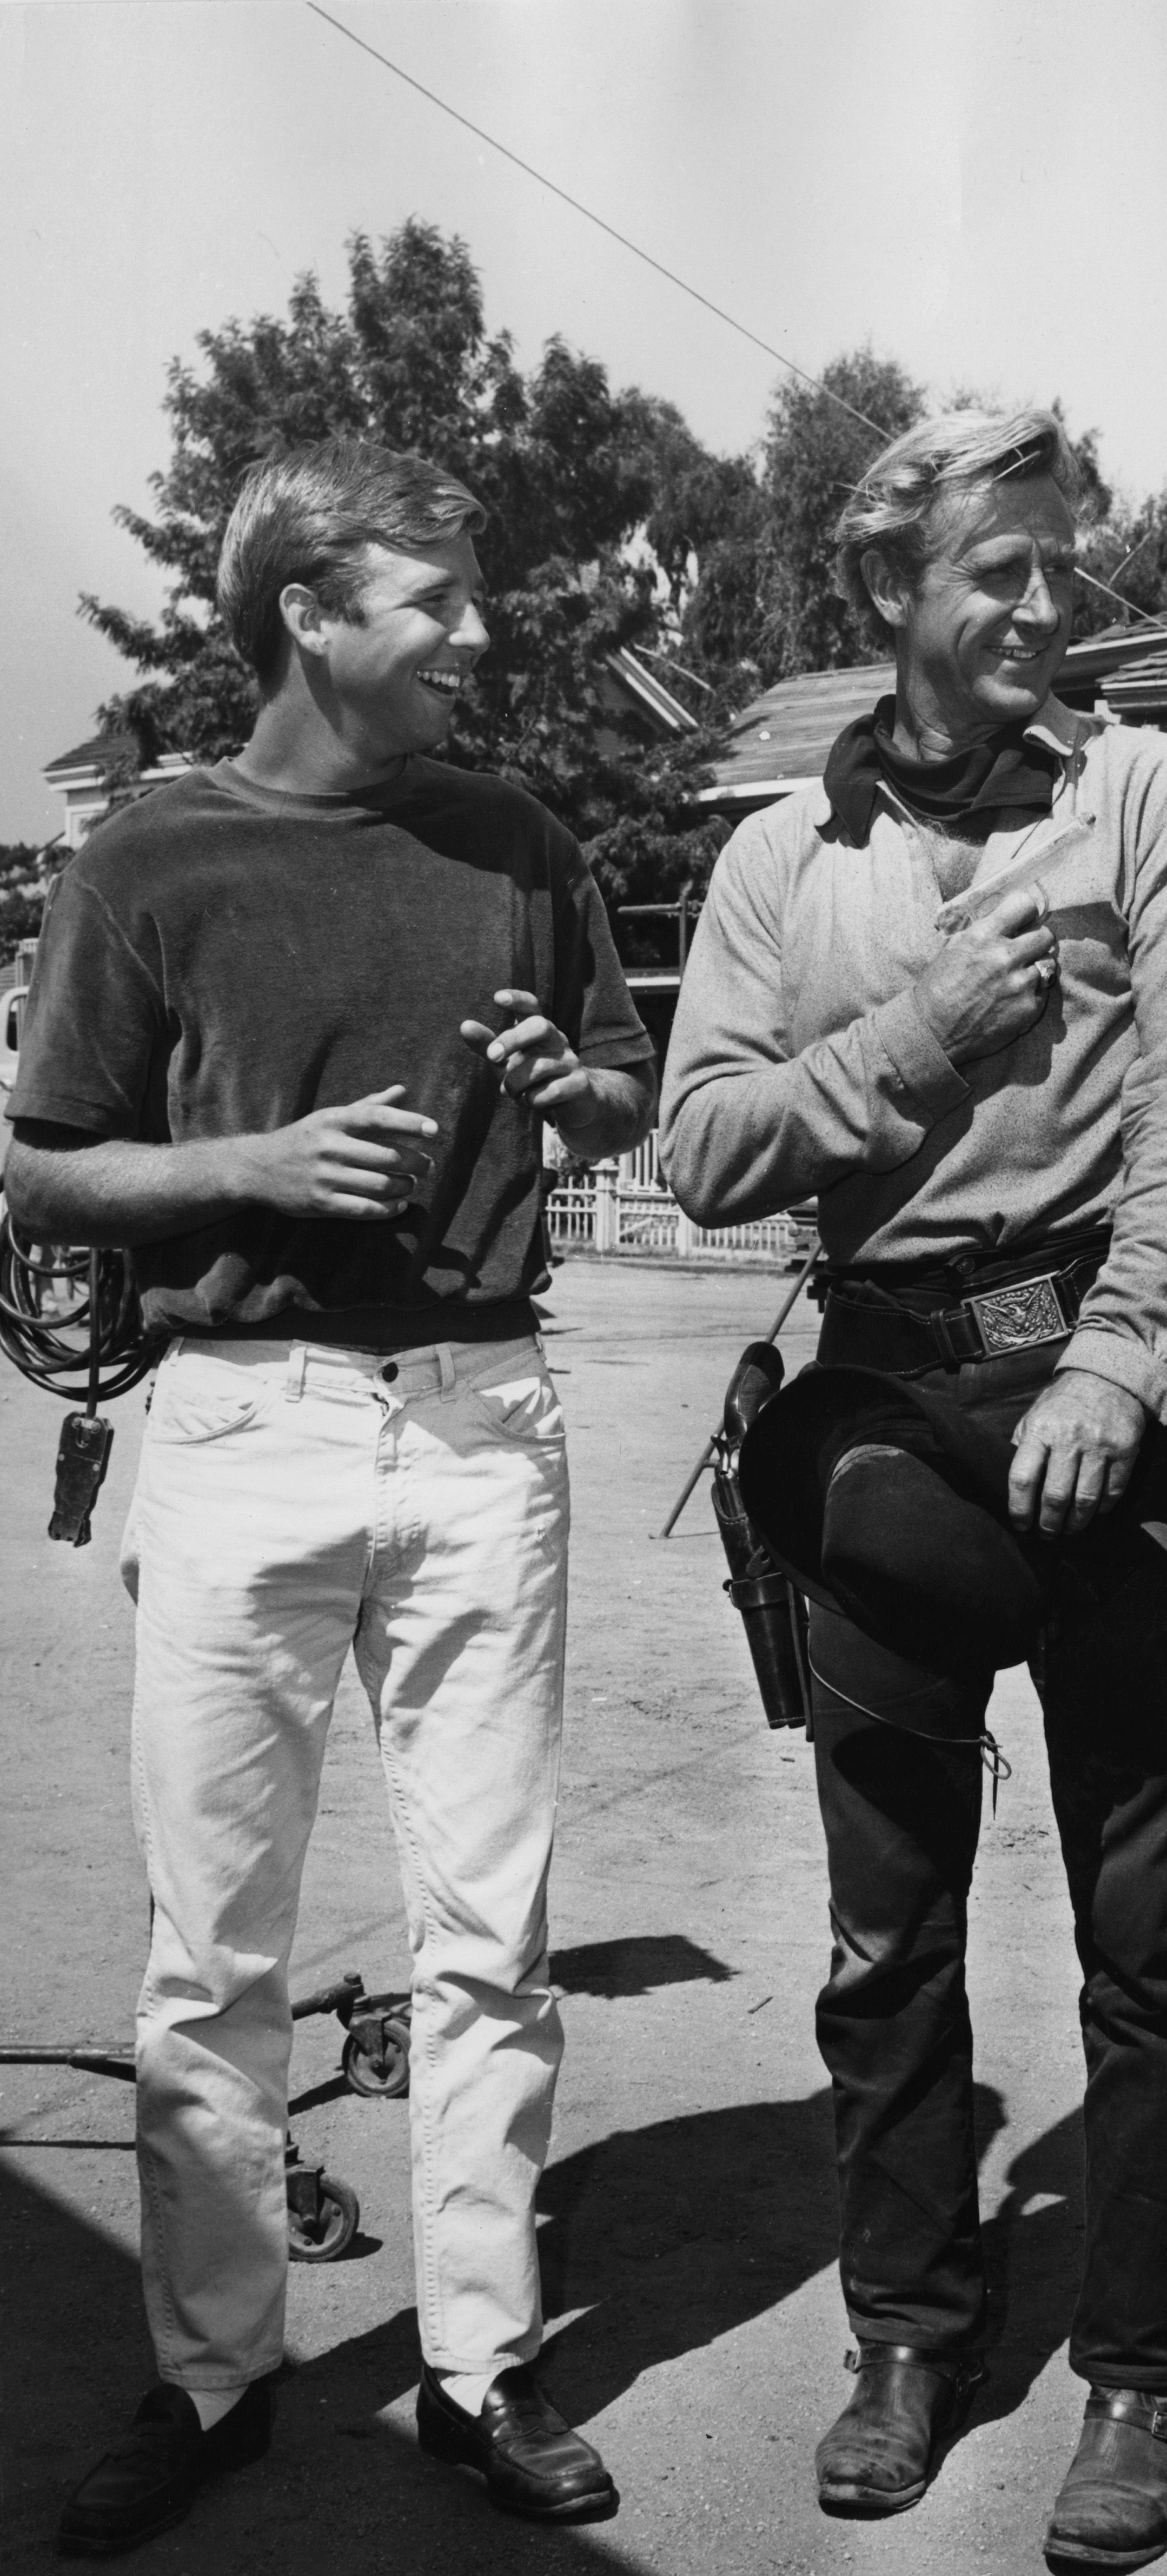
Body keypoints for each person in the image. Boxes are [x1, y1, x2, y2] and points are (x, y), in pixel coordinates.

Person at [8, 439, 655, 2556]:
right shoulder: (151, 858)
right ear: (305, 611)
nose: (479, 634)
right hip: (239, 1425)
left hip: (483, 1428)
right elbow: (38, 1158)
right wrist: (243, 1174)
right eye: (434, 600)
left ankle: (477, 2367)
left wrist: (589, 1094)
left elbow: (623, 1070)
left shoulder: (518, 838)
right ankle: (214, 2383)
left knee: (490, 1935)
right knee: (218, 1959)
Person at [661, 406, 1167, 2568]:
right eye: (996, 568)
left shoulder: (1154, 800)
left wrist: (1125, 1354)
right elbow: (705, 1149)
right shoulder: (773, 859)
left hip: (1104, 1422)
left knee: (1146, 1933)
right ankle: (906, 2334)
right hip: (871, 1435)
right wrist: (919, 1029)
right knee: (882, 1935)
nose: (1043, 603)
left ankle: (1144, 2378)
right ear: (891, 594)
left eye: (1059, 562)